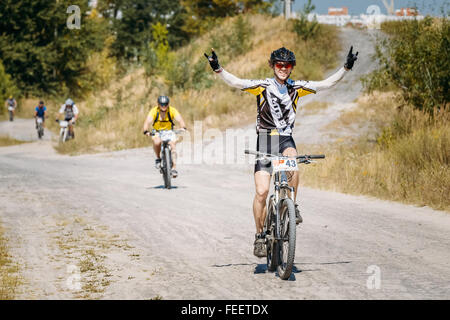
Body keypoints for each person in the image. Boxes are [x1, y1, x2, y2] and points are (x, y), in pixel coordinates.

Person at [204, 46, 358, 257]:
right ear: (272, 65)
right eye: (279, 65)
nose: (283, 68)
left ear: (292, 67)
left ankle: (292, 206)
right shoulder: (262, 86)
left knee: (293, 161)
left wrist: (346, 68)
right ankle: (259, 235)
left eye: (287, 65)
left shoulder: (297, 87)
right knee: (261, 192)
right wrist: (217, 68)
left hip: (285, 139)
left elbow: (326, 84)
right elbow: (237, 82)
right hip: (266, 140)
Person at [142, 95, 187, 178]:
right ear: (158, 104)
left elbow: (180, 119)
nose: (164, 106)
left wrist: (183, 127)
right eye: (162, 104)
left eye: (165, 104)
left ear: (168, 104)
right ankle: (158, 158)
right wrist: (145, 131)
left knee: (173, 146)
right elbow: (147, 122)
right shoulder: (154, 111)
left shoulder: (172, 110)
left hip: (169, 131)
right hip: (157, 132)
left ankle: (174, 168)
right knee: (157, 142)